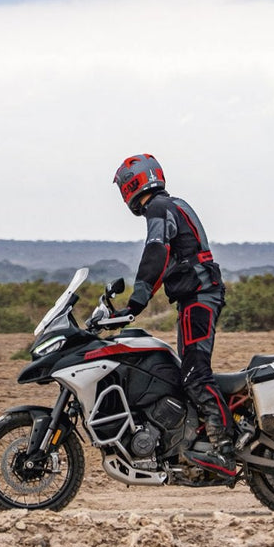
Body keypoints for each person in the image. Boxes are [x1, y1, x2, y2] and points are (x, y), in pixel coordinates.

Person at [110, 154, 234, 475]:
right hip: (195, 296)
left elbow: (156, 254)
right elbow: (164, 261)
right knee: (184, 372)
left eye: (124, 185)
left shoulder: (159, 208)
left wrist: (135, 302)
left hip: (199, 297)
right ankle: (190, 438)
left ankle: (224, 448)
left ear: (134, 183)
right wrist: (134, 305)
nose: (123, 192)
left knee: (195, 374)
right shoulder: (169, 206)